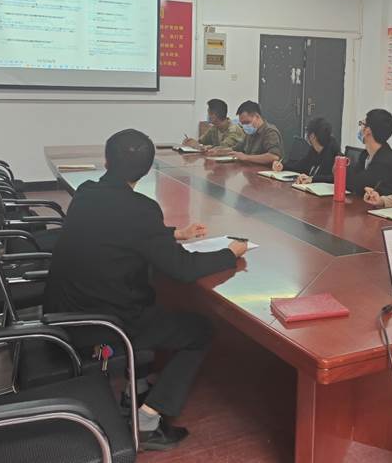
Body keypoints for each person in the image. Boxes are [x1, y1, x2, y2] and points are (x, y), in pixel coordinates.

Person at [44, 129, 249, 450]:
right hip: (102, 325)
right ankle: (149, 421)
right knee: (201, 330)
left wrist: (173, 234)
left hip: (61, 310)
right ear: (148, 169)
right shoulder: (142, 209)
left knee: (155, 302)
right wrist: (229, 253)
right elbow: (182, 269)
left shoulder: (86, 192)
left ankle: (137, 385)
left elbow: (116, 230)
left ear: (106, 161)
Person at [346, 109, 392, 195]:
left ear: (368, 131)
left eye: (361, 124)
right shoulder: (365, 154)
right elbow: (354, 180)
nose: (360, 128)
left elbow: (357, 185)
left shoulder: (385, 161)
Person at [208, 100, 284, 166]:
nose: (245, 126)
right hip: (251, 170)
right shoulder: (250, 134)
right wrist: (219, 151)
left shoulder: (270, 132)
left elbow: (274, 156)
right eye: (242, 124)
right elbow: (236, 149)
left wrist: (246, 157)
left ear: (257, 116)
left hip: (266, 172)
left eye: (247, 122)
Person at [271, 116, 340, 184]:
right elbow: (300, 165)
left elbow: (335, 178)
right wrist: (283, 166)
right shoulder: (314, 150)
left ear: (312, 136)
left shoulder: (335, 154)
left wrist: (313, 179)